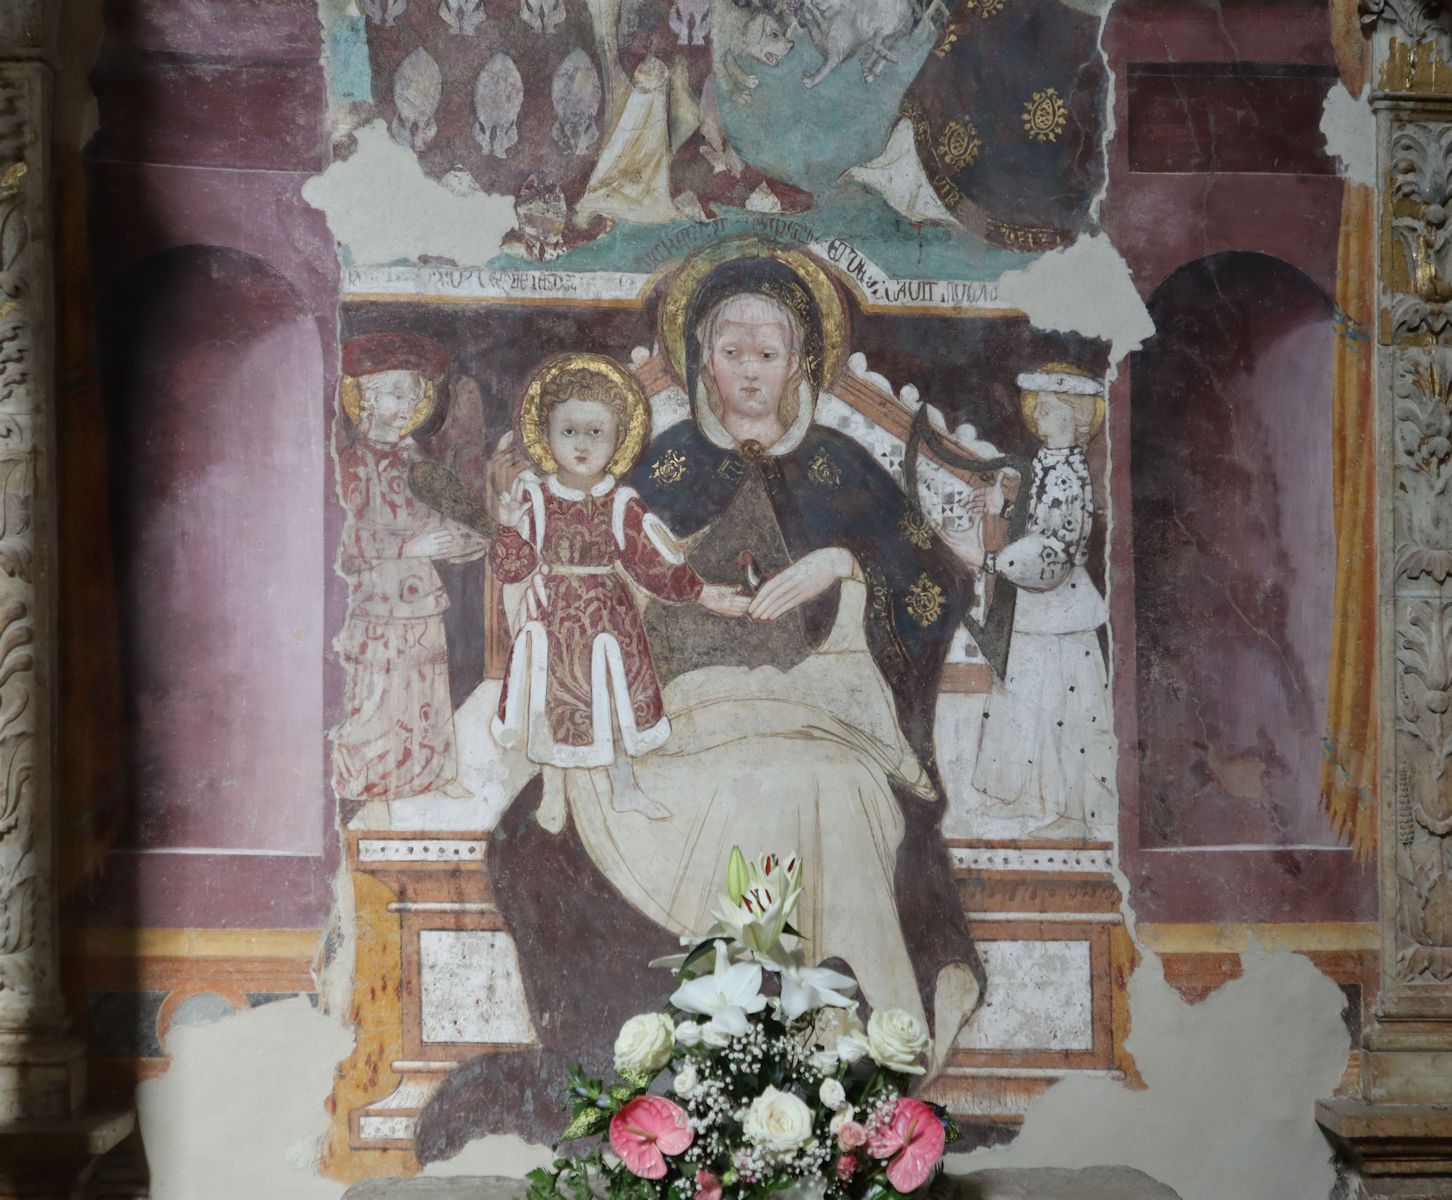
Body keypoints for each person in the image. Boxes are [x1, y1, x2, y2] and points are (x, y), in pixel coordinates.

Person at [417, 240, 985, 1158]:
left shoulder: (844, 467)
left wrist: (842, 564)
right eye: (732, 352)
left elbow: (933, 583)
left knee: (829, 786)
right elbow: (598, 570)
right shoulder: (661, 466)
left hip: (825, 705)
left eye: (770, 353)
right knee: (568, 818)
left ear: (802, 360)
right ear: (699, 360)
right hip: (676, 704)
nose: (751, 372)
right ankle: (666, 1068)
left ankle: (842, 1064)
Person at [487, 353, 747, 829]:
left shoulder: (621, 501)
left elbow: (652, 560)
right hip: (552, 619)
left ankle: (625, 789)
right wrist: (507, 531)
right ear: (547, 436)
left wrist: (701, 592)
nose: (582, 445)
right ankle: (553, 791)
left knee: (616, 698)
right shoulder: (536, 500)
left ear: (617, 441)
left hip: (609, 617)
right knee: (552, 702)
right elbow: (513, 566)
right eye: (569, 431)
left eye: (596, 433)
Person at [946, 363, 1115, 842]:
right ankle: (1031, 796)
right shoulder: (1049, 464)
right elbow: (1037, 527)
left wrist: (990, 560)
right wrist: (1001, 512)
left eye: (1055, 412)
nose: (1044, 420)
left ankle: (1066, 809)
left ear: (1079, 419)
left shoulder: (1066, 471)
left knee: (1060, 703)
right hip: (1038, 608)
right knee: (1027, 695)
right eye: (1040, 411)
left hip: (1059, 608)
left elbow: (1054, 553)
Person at [331, 333, 489, 804]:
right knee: (379, 692)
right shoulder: (350, 465)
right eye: (397, 393)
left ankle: (430, 773)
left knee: (426, 686)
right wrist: (409, 547)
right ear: (367, 397)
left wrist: (471, 538)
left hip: (420, 597)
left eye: (416, 395)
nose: (409, 406)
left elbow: (443, 525)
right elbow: (340, 540)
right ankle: (368, 779)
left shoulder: (417, 463)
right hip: (375, 600)